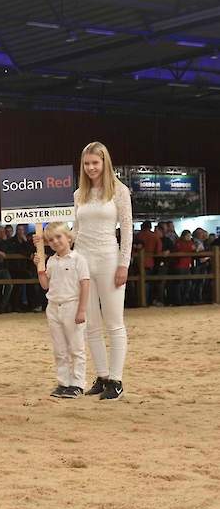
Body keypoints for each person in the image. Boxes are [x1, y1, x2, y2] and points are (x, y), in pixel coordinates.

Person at [39, 142, 131, 401]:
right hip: (83, 260)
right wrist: (57, 245)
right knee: (89, 324)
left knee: (114, 323)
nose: (91, 168)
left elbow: (126, 229)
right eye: (87, 164)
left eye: (95, 163)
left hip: (110, 260)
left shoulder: (120, 192)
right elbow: (76, 231)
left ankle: (116, 379)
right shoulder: (79, 194)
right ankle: (101, 377)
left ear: (105, 163)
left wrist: (124, 263)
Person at [33, 222, 90, 398]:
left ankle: (78, 384)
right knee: (59, 348)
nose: (55, 242)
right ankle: (63, 382)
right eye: (51, 240)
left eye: (59, 237)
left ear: (69, 237)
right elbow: (45, 285)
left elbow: (85, 284)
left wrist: (81, 310)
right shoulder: (50, 261)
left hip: (72, 306)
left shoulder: (78, 259)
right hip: (53, 307)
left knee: (76, 347)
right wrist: (39, 267)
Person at [134, 221, 161, 306]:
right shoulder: (155, 236)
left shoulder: (138, 235)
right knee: (148, 282)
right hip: (150, 262)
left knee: (138, 282)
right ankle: (147, 301)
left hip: (137, 261)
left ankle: (140, 301)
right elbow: (158, 250)